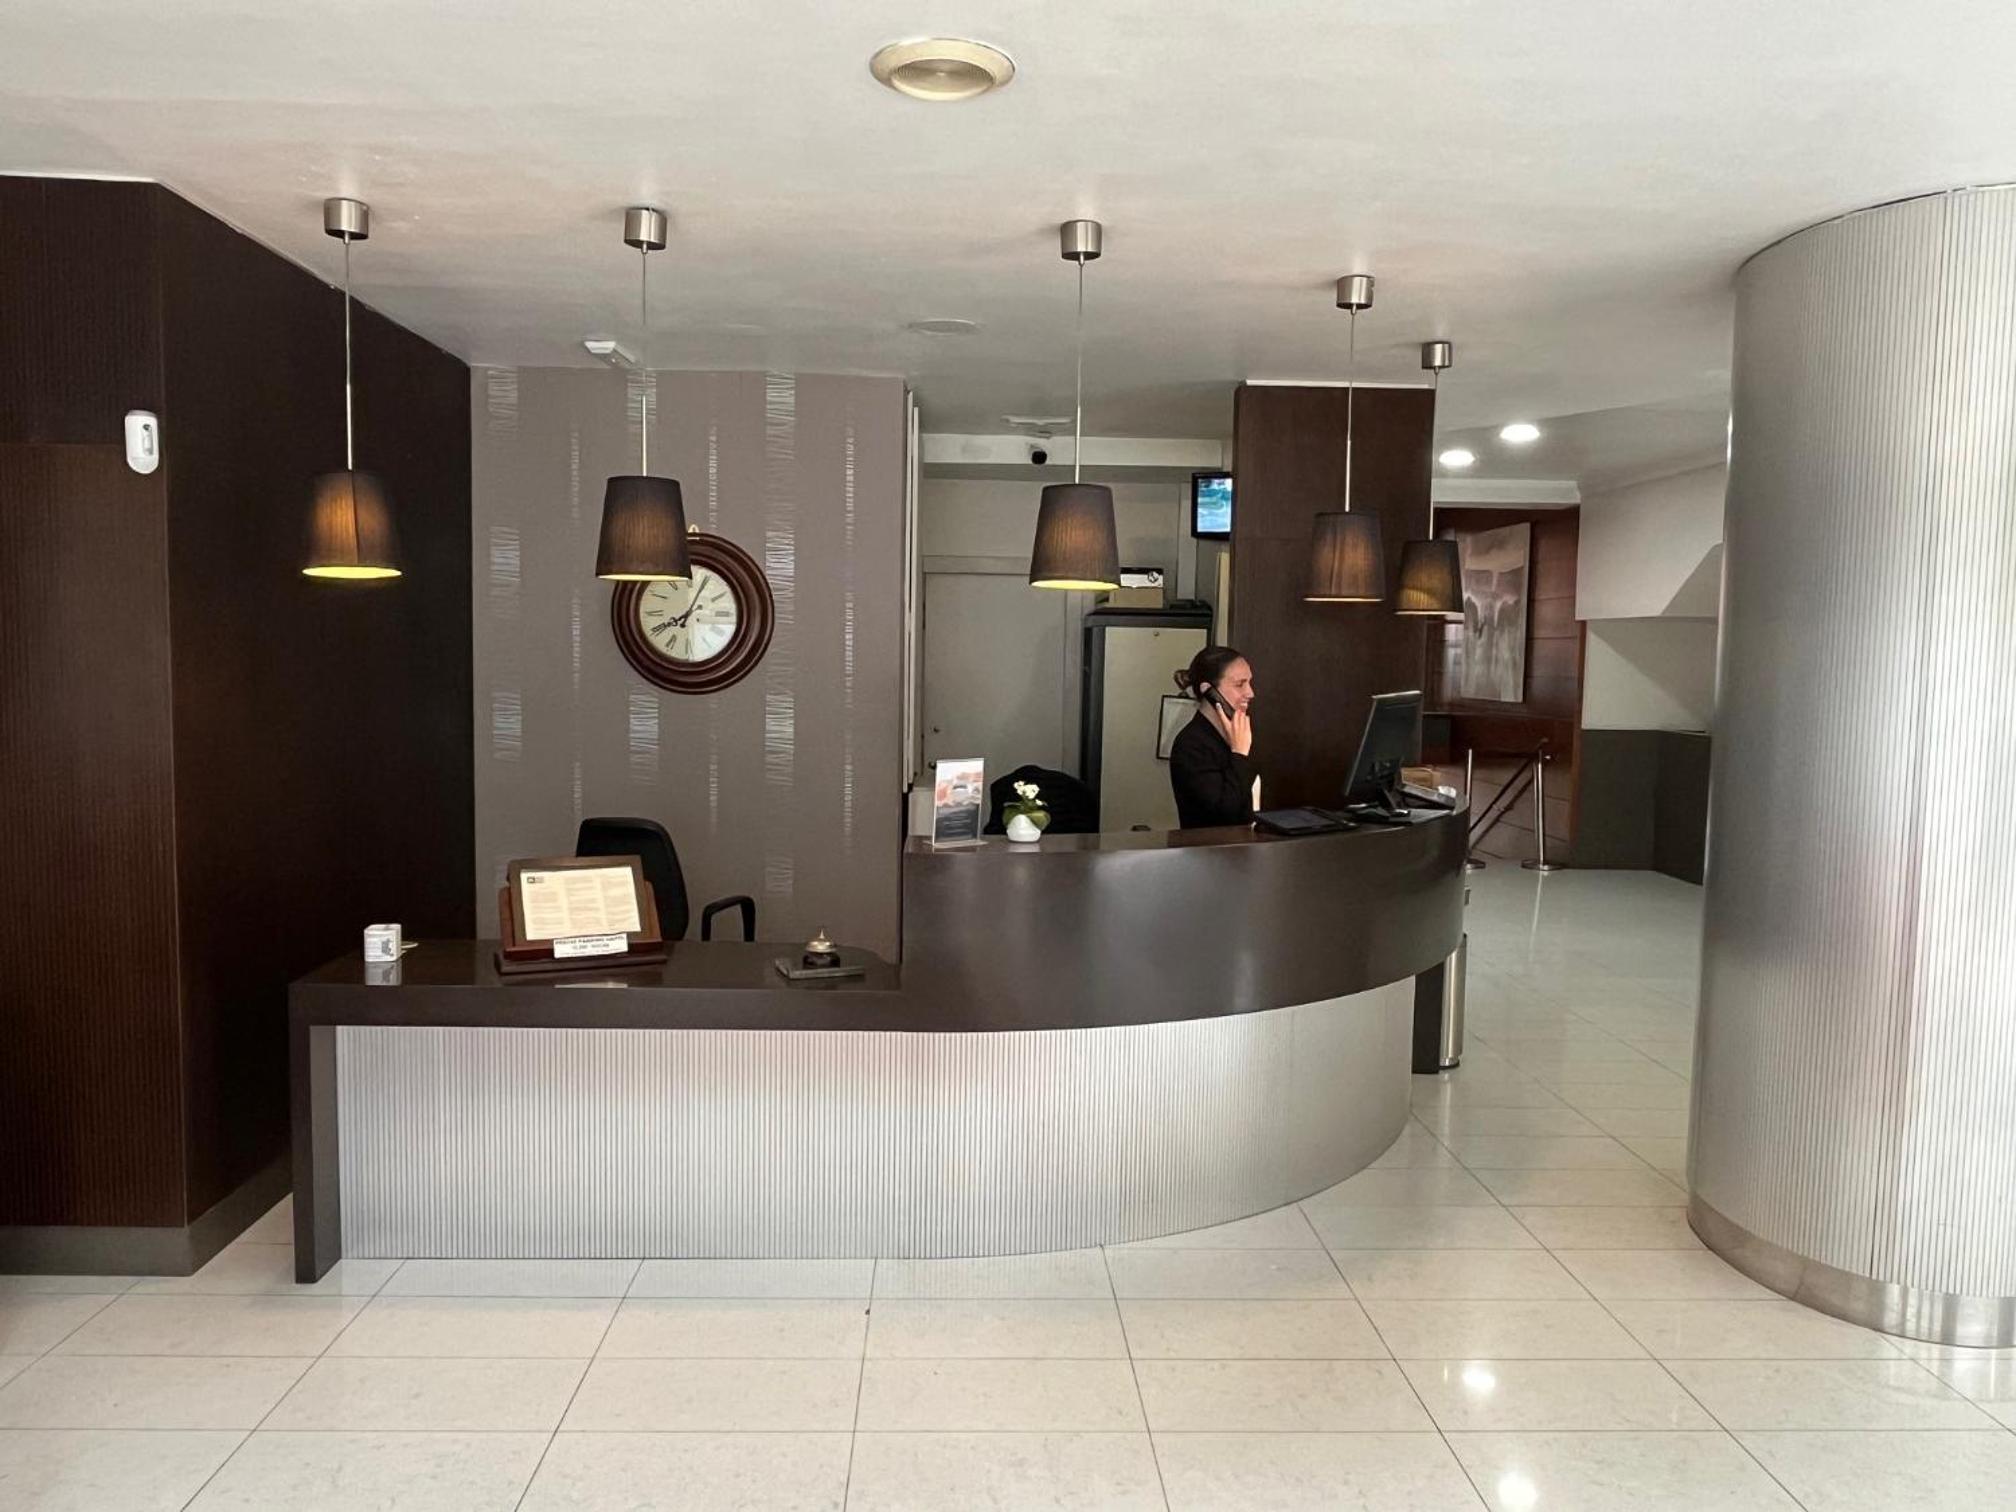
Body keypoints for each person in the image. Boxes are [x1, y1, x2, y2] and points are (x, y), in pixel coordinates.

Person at [1168, 645, 1258, 829]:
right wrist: (1239, 755)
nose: (1250, 693)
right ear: (1209, 691)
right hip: (1208, 846)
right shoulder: (1190, 745)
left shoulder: (1238, 735)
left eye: (1249, 683)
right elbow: (1224, 816)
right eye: (1240, 684)